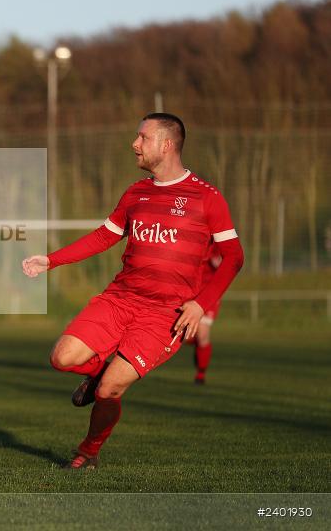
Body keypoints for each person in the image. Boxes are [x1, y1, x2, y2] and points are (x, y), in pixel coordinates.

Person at [22, 113, 244, 469]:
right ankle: (94, 376)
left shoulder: (207, 198)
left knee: (111, 389)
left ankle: (88, 452)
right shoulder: (136, 193)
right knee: (61, 358)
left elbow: (234, 257)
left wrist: (201, 305)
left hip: (165, 315)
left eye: (142, 138)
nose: (134, 144)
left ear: (166, 145)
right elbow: (104, 236)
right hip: (120, 299)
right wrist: (51, 260)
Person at [190, 242, 222, 384]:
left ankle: (200, 374)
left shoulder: (218, 243)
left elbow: (223, 265)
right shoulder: (192, 236)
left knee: (203, 334)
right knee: (185, 332)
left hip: (209, 295)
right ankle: (197, 345)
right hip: (190, 292)